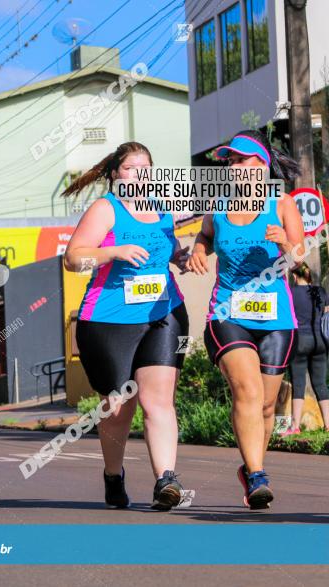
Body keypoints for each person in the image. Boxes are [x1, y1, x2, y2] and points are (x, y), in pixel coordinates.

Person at [63, 142, 190, 510]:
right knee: (117, 409)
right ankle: (113, 475)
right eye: (131, 168)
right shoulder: (106, 209)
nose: (140, 174)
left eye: (146, 167)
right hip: (107, 320)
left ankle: (166, 479)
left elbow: (167, 253)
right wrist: (112, 252)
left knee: (158, 401)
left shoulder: (162, 209)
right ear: (115, 175)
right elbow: (73, 258)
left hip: (162, 314)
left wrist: (181, 257)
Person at [187, 130, 304, 509]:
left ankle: (252, 468)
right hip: (227, 312)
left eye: (240, 160)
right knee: (248, 391)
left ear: (261, 165)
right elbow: (204, 236)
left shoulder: (282, 205)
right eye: (230, 161)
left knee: (268, 405)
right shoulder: (218, 205)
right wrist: (198, 252)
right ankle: (257, 476)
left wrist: (284, 242)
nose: (233, 167)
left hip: (276, 317)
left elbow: (299, 258)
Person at [285, 263, 329, 434]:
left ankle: (294, 427)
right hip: (320, 342)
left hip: (299, 341)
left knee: (298, 384)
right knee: (321, 384)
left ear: (294, 276)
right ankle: (328, 425)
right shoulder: (321, 292)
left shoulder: (290, 294)